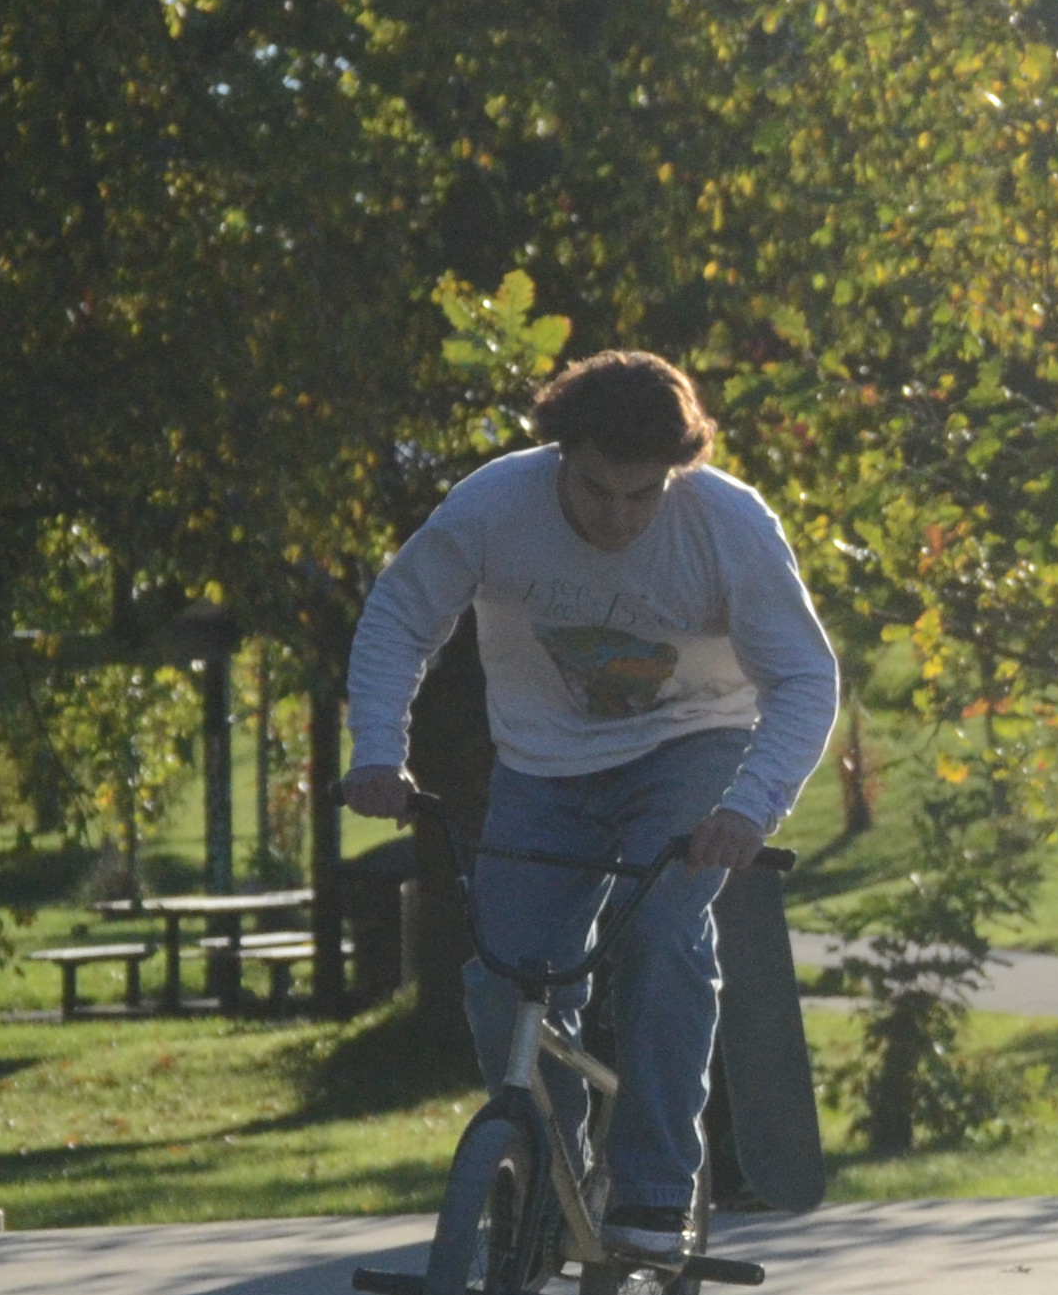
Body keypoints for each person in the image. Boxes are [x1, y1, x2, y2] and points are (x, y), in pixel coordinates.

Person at [343, 350, 838, 1248]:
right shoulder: (496, 505)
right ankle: (545, 1181)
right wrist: (379, 751)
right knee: (506, 976)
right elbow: (399, 616)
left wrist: (747, 809)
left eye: (642, 494)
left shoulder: (727, 523)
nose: (618, 516)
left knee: (662, 936)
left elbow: (805, 676)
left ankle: (653, 1190)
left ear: (676, 473)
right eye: (596, 489)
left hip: (694, 744)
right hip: (544, 766)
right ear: (560, 456)